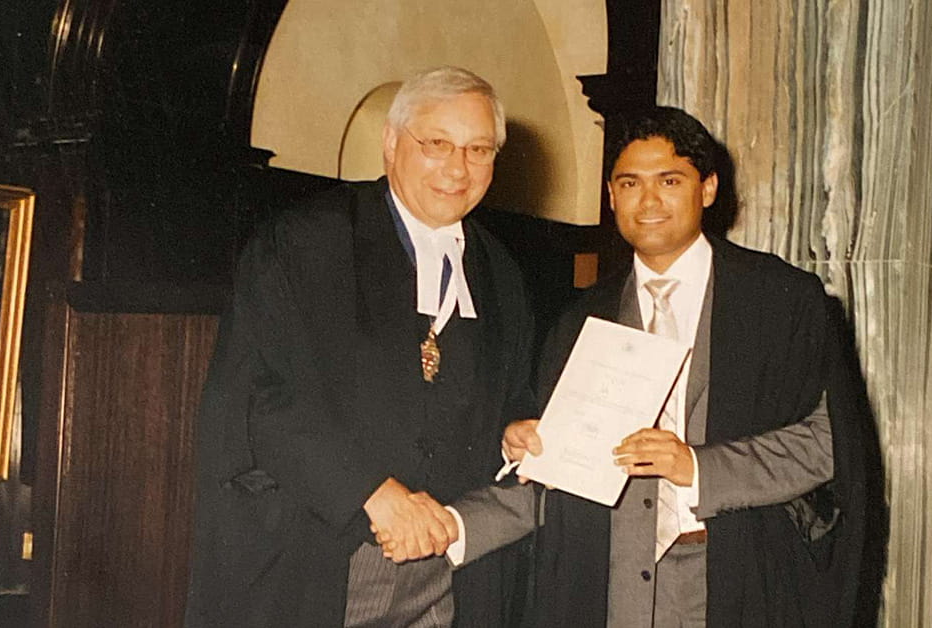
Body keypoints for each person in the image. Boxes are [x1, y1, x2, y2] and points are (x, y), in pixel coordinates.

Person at [450, 106, 866, 627]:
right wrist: (525, 444)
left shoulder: (782, 300)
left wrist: (698, 468)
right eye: (629, 183)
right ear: (611, 195)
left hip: (740, 577)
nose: (648, 201)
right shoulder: (577, 318)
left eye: (669, 180)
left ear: (708, 188)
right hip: (608, 588)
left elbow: (831, 443)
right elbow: (552, 476)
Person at [184, 66, 537, 628]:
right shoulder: (306, 242)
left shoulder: (501, 274)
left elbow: (506, 392)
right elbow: (258, 399)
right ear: (392, 144)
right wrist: (369, 491)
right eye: (437, 144)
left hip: (447, 572)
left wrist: (514, 426)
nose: (457, 168)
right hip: (324, 561)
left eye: (479, 149)